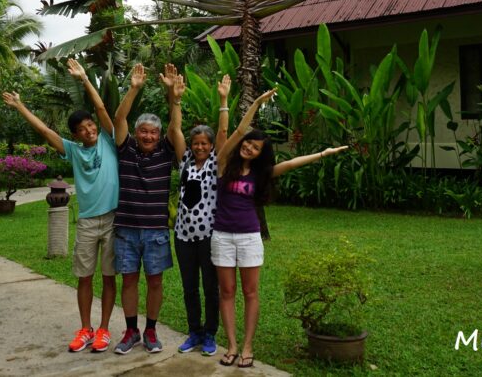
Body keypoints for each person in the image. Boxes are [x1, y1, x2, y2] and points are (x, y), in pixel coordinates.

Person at [212, 89, 348, 369]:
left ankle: (248, 346)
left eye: (255, 148)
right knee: (226, 291)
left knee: (250, 292)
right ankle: (232, 345)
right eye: (248, 144)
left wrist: (323, 153)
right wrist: (258, 104)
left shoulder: (262, 173)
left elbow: (290, 164)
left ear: (262, 154)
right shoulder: (223, 163)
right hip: (222, 236)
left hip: (249, 237)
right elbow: (237, 130)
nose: (248, 148)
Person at [1, 58, 119, 354]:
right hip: (89, 221)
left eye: (90, 124)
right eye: (82, 128)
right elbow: (44, 132)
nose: (89, 129)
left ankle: (104, 330)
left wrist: (83, 79)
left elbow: (103, 109)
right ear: (76, 134)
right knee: (84, 277)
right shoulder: (73, 151)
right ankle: (85, 329)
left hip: (114, 219)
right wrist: (20, 107)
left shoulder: (108, 138)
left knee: (108, 277)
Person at [112, 63, 185, 355]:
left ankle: (151, 330)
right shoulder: (125, 148)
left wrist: (174, 96)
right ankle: (131, 330)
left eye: (153, 133)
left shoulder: (167, 152)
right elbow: (119, 118)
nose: (148, 137)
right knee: (129, 280)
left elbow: (175, 127)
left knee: (155, 281)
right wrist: (134, 88)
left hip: (155, 230)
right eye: (144, 131)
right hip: (126, 228)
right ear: (137, 133)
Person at [171, 73, 231, 357]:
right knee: (189, 288)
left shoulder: (216, 163)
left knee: (210, 288)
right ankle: (194, 331)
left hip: (208, 236)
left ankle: (210, 333)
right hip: (182, 236)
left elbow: (222, 134)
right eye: (197, 143)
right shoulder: (184, 160)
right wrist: (177, 100)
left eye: (204, 143)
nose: (200, 147)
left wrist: (223, 101)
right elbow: (175, 131)